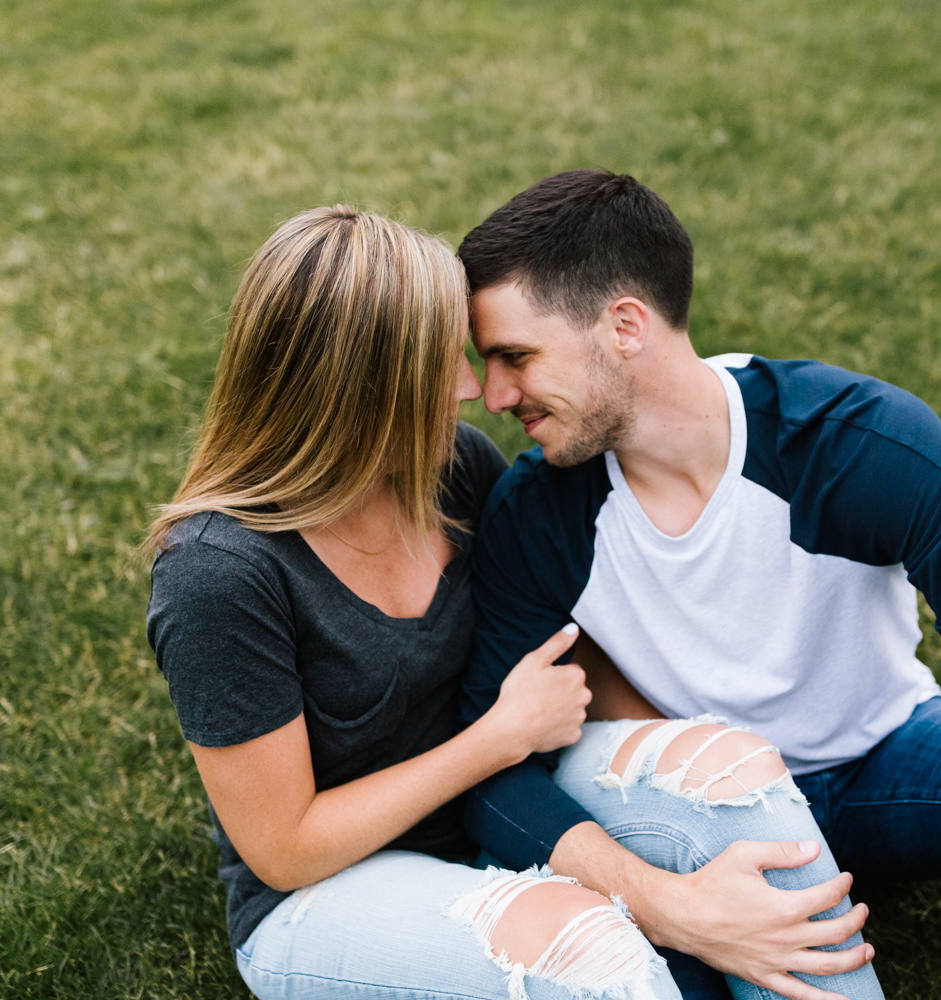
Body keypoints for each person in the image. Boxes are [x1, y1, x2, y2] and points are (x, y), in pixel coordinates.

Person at [455, 170, 941, 1000]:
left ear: (624, 326)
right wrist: (662, 903)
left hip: (884, 759)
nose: (497, 394)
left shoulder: (850, 443)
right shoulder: (536, 511)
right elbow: (491, 764)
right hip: (705, 813)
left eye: (515, 357)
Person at [143, 206, 686, 1000]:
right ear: (362, 392)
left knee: (732, 788)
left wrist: (665, 761)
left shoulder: (453, 468)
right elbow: (286, 848)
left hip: (490, 814)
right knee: (593, 961)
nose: (476, 389)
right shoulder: (218, 574)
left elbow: (566, 643)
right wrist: (495, 741)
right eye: (445, 363)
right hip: (321, 894)